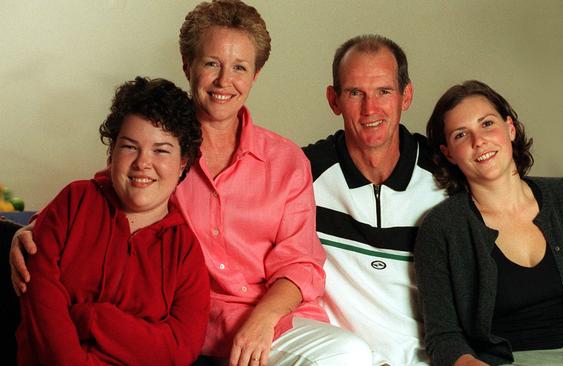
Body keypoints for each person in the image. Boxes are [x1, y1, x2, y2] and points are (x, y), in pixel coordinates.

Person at [11, 1, 371, 365]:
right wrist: (31, 229)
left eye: (239, 68)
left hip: (271, 324)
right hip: (197, 324)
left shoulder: (286, 160)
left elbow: (301, 263)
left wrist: (262, 319)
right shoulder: (163, 156)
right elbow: (114, 186)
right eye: (211, 63)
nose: (223, 81)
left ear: (255, 75)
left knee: (351, 354)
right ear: (188, 65)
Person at [415, 80, 563, 366]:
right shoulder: (441, 229)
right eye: (461, 135)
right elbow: (444, 338)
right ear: (449, 153)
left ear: (510, 128)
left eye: (487, 124)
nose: (479, 141)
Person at [16, 76, 209, 365]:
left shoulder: (185, 252)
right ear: (112, 152)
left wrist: (93, 318)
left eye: (161, 150)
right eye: (130, 146)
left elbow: (180, 349)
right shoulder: (73, 202)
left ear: (183, 163)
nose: (142, 163)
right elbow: (41, 299)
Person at [303, 34, 447, 365]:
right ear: (334, 99)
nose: (371, 109)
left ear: (405, 95)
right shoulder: (302, 174)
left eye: (384, 91)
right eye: (355, 93)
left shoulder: (446, 176)